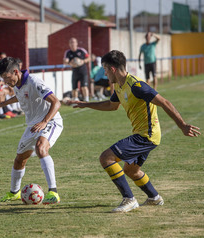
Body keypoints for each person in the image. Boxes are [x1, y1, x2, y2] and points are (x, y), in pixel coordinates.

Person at [71, 50, 201, 213]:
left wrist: (182, 125)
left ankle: (129, 199)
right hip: (143, 134)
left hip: (146, 135)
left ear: (112, 69)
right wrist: (86, 104)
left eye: (104, 69)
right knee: (131, 170)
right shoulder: (118, 85)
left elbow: (164, 102)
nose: (104, 73)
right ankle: (154, 198)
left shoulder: (136, 86)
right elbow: (112, 106)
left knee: (106, 158)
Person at [0, 57, 63, 204]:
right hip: (32, 125)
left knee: (41, 148)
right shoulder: (17, 84)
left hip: (50, 121)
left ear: (15, 72)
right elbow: (21, 97)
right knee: (19, 159)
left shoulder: (33, 81)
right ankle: (14, 193)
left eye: (7, 78)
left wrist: (45, 122)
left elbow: (56, 102)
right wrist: (4, 103)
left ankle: (53, 192)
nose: (6, 82)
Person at [63, 37, 93, 102]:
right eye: (71, 42)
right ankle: (75, 100)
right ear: (69, 44)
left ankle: (86, 99)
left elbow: (89, 58)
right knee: (74, 88)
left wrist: (83, 61)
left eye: (73, 42)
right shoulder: (68, 52)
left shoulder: (82, 50)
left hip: (83, 71)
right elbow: (65, 61)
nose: (72, 44)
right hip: (74, 71)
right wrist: (68, 62)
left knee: (84, 86)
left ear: (76, 43)